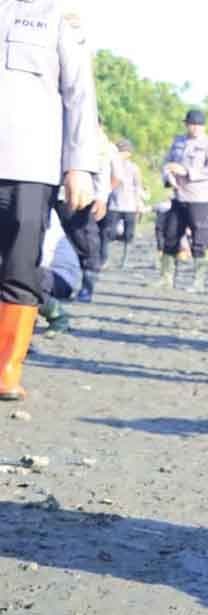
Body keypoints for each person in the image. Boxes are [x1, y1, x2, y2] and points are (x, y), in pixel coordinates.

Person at [1, 1, 100, 402]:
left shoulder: (56, 20)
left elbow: (80, 96)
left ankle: (6, 369)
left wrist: (79, 167)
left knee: (19, 267)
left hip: (30, 164)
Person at [161, 109, 208, 292]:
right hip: (179, 196)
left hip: (199, 197)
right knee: (170, 234)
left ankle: (198, 281)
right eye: (190, 124)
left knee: (199, 239)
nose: (193, 128)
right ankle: (166, 278)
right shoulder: (178, 141)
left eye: (197, 125)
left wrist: (188, 172)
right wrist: (168, 174)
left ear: (203, 126)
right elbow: (167, 162)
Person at [55, 124, 112, 302]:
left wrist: (101, 197)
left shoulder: (95, 136)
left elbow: (102, 168)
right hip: (49, 192)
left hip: (81, 194)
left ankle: (87, 286)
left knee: (85, 241)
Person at [105, 139, 144, 272]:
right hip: (114, 204)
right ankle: (106, 259)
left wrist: (139, 203)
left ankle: (125, 261)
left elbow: (138, 186)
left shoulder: (134, 168)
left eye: (123, 151)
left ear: (129, 153)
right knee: (108, 232)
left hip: (130, 205)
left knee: (129, 234)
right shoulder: (110, 165)